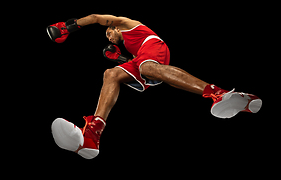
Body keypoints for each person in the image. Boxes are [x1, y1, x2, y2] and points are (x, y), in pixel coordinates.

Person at [47, 14, 262, 159]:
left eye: (109, 33)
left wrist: (69, 26)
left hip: (152, 47)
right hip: (142, 57)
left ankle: (217, 92)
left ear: (114, 28)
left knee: (147, 67)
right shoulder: (132, 49)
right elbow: (139, 67)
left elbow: (96, 18)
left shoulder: (126, 23)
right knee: (111, 74)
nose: (110, 36)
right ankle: (92, 135)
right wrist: (120, 57)